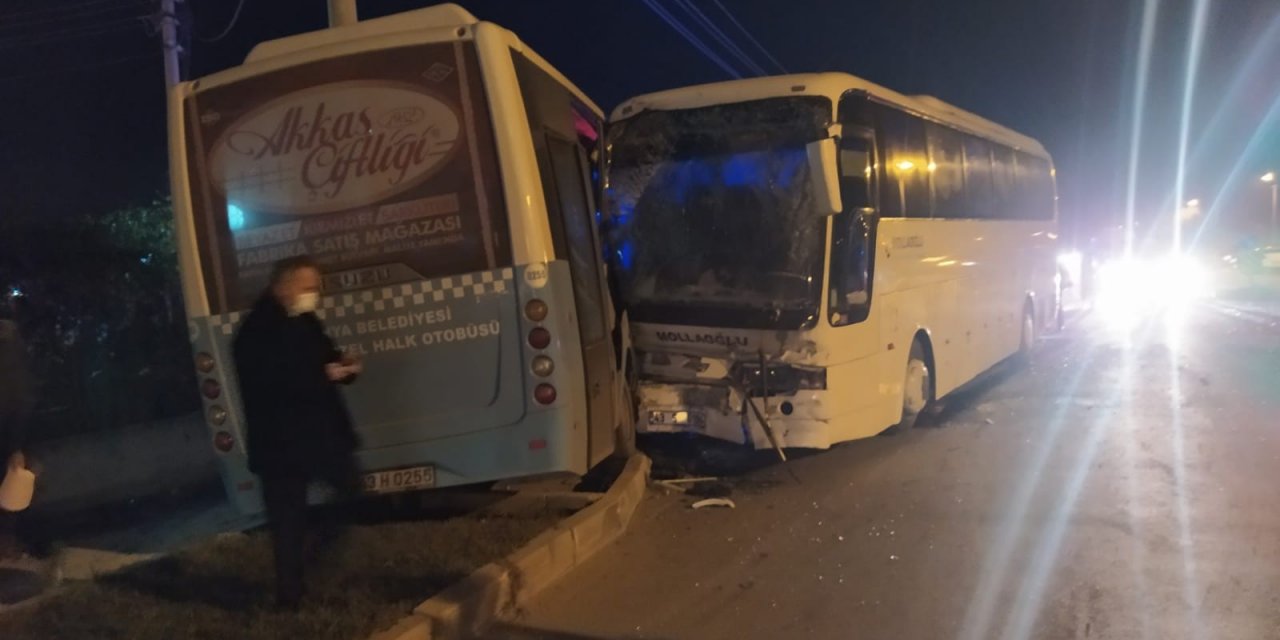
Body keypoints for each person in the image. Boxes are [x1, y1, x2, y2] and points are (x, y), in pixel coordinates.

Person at [232, 255, 363, 609]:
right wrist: (324, 375)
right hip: (281, 445)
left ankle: (313, 564)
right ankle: (291, 595)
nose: (314, 294)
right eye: (308, 287)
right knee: (287, 521)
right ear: (284, 286)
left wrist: (345, 367)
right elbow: (273, 382)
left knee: (351, 490)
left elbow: (326, 357)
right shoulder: (256, 331)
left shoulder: (304, 320)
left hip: (320, 437)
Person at [0, 306, 34, 559]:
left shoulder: (8, 343)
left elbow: (18, 398)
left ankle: (6, 543)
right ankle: (6, 543)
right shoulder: (10, 342)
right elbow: (19, 399)